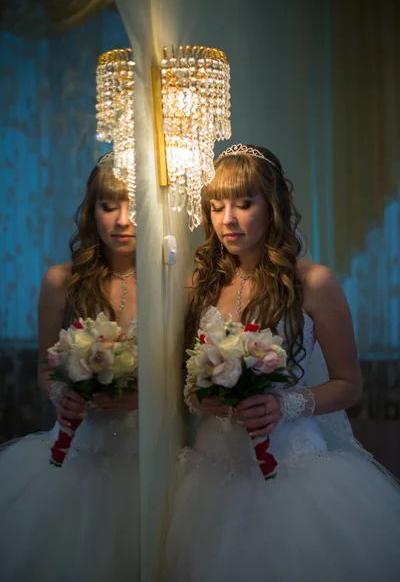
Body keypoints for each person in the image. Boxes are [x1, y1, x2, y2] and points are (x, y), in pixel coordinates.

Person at [161, 144, 400, 582]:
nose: (227, 219)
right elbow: (185, 375)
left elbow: (349, 384)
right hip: (212, 470)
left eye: (243, 204)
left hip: (294, 468)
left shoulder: (314, 281)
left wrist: (283, 405)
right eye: (216, 207)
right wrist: (200, 396)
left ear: (272, 206)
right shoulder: (199, 282)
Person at [0, 152, 139, 582]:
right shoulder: (60, 280)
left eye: (133, 205)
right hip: (80, 448)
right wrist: (63, 395)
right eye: (109, 205)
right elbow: (46, 366)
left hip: (151, 452)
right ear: (91, 210)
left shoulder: (178, 281)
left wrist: (145, 396)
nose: (121, 220)